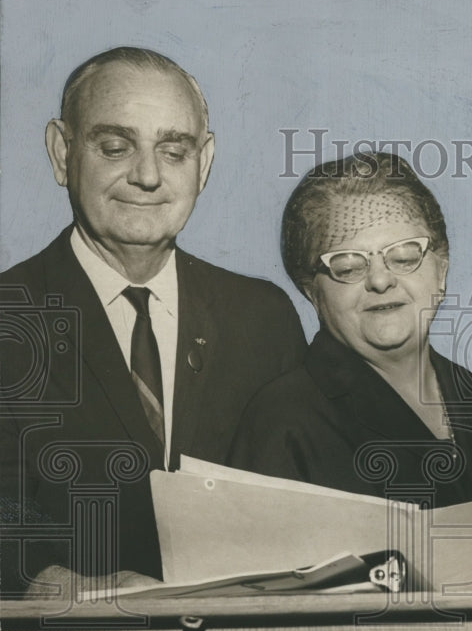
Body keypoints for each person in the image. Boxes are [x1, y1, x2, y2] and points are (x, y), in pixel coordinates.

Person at [0, 47, 306, 598]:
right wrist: (54, 587)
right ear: (61, 153)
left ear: (204, 163)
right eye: (115, 147)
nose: (147, 176)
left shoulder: (263, 318)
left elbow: (303, 511)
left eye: (174, 151)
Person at [228, 152, 472, 506]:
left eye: (404, 257)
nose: (380, 280)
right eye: (347, 266)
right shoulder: (283, 422)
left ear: (441, 271)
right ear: (312, 292)